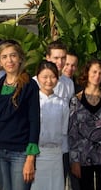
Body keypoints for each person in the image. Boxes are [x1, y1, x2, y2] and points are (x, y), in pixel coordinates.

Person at [0, 40, 40, 190]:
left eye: (13, 55)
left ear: (20, 58)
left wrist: (30, 158)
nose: (9, 60)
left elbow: (34, 121)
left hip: (21, 152)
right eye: (4, 57)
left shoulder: (29, 85)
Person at [68, 58, 101, 190]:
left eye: (100, 73)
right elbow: (72, 132)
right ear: (87, 73)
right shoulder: (76, 100)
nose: (97, 76)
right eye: (94, 72)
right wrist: (74, 160)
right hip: (83, 157)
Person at [43, 41, 77, 190]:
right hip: (40, 148)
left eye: (63, 58)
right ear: (47, 58)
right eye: (56, 58)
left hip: (62, 147)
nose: (60, 62)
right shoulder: (34, 82)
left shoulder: (68, 83)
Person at [31, 60, 68, 190]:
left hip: (56, 155)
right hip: (36, 155)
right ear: (37, 77)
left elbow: (64, 132)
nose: (49, 81)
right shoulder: (32, 101)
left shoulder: (62, 103)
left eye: (53, 77)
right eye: (45, 77)